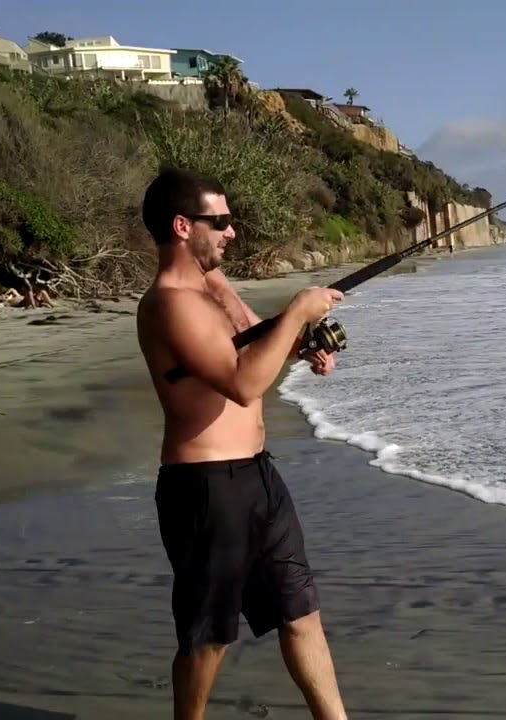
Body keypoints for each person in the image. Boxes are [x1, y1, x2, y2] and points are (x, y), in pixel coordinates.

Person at [135, 167, 349, 720]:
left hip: (258, 477)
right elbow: (242, 381)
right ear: (184, 226)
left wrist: (303, 343)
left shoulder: (214, 288)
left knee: (301, 612)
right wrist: (299, 310)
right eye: (221, 221)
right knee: (209, 637)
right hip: (205, 489)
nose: (232, 232)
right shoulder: (168, 303)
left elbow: (260, 347)